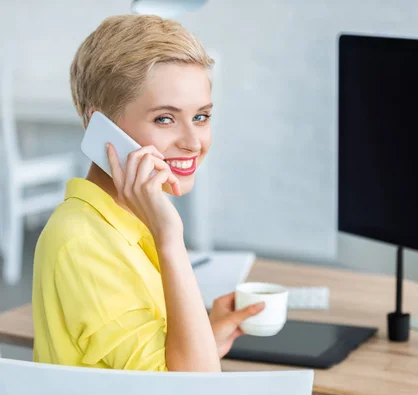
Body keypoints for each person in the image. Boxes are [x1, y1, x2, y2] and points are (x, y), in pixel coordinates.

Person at [31, 14, 264, 372]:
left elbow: (162, 365)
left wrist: (203, 335)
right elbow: (189, 392)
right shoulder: (81, 243)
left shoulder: (129, 216)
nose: (192, 143)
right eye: (165, 119)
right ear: (102, 126)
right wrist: (170, 238)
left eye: (201, 116)